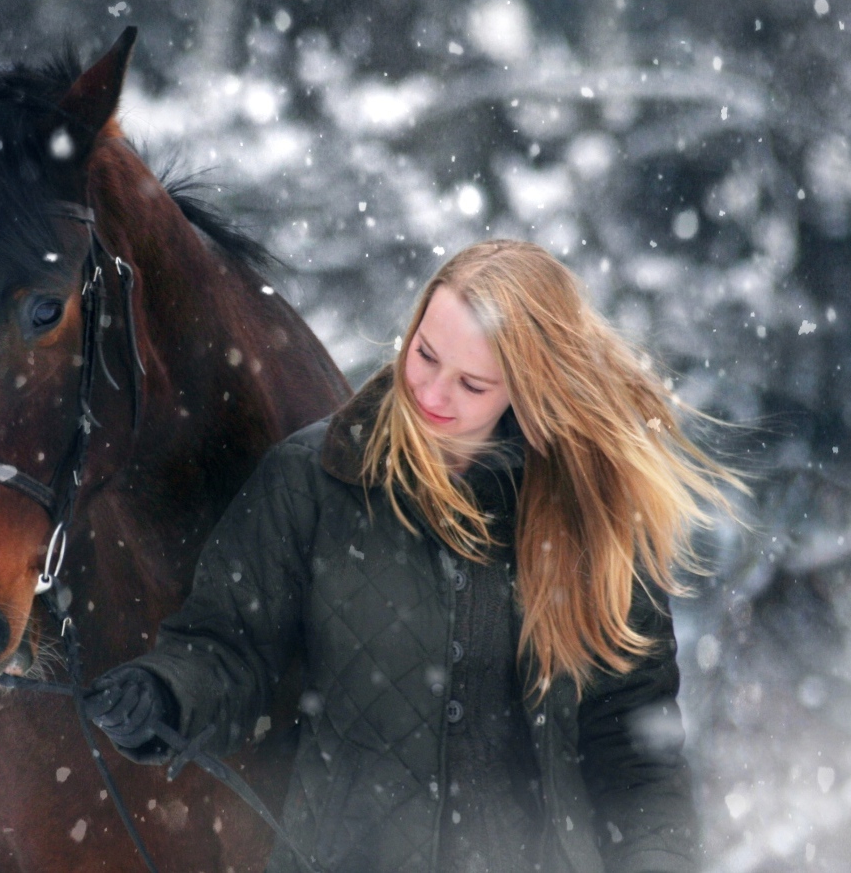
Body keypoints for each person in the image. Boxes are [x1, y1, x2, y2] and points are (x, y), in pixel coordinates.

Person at [86, 239, 741, 873]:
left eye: (472, 384)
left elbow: (636, 754)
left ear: (530, 391)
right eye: (425, 355)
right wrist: (166, 693)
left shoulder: (595, 519)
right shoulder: (314, 479)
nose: (431, 394)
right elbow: (231, 649)